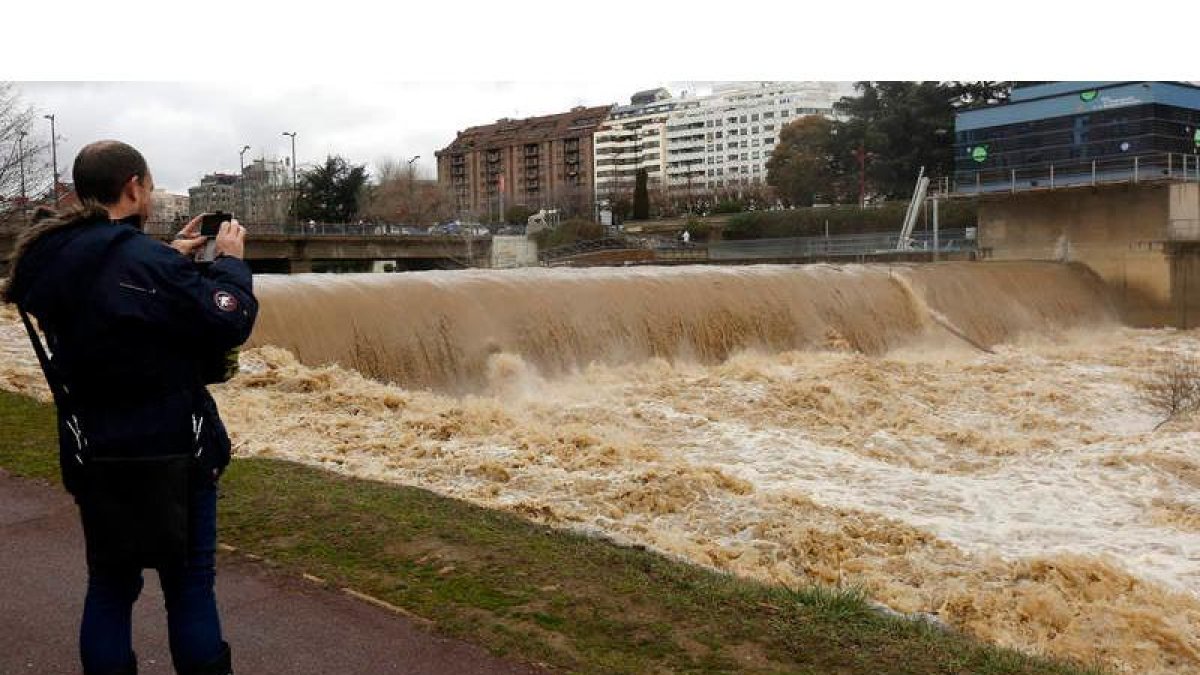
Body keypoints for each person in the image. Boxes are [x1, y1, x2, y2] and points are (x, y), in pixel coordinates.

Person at [1, 140, 257, 675]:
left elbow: (111, 287)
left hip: (95, 449)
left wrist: (165, 255)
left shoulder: (52, 260)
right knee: (189, 586)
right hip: (175, 451)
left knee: (111, 587)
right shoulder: (146, 264)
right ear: (133, 186)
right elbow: (227, 318)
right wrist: (231, 266)